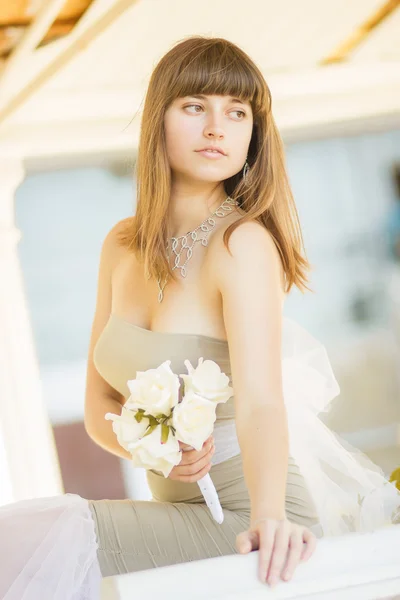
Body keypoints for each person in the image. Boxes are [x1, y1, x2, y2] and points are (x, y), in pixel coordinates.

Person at [1, 36, 399, 600]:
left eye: (237, 113)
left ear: (252, 135)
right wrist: (154, 449)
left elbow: (262, 399)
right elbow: (99, 411)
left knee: (27, 540)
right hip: (182, 512)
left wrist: (268, 519)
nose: (218, 128)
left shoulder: (243, 243)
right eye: (195, 107)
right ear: (158, 120)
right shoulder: (120, 244)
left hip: (252, 521)